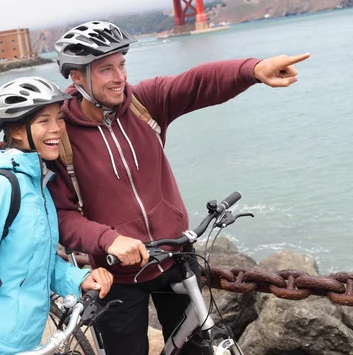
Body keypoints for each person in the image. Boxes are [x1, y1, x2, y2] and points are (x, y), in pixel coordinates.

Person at [50, 21, 310, 355]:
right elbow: (63, 216)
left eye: (122, 65)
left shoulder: (144, 104)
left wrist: (254, 70)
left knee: (195, 350)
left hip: (174, 258)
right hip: (118, 276)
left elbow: (196, 83)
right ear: (76, 76)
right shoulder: (62, 136)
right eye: (105, 70)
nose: (120, 77)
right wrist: (109, 239)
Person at [0, 76, 113, 355]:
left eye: (59, 118)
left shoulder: (37, 183)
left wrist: (77, 279)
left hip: (26, 344)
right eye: (43, 121)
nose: (57, 130)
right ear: (16, 131)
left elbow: (37, 259)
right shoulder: (0, 188)